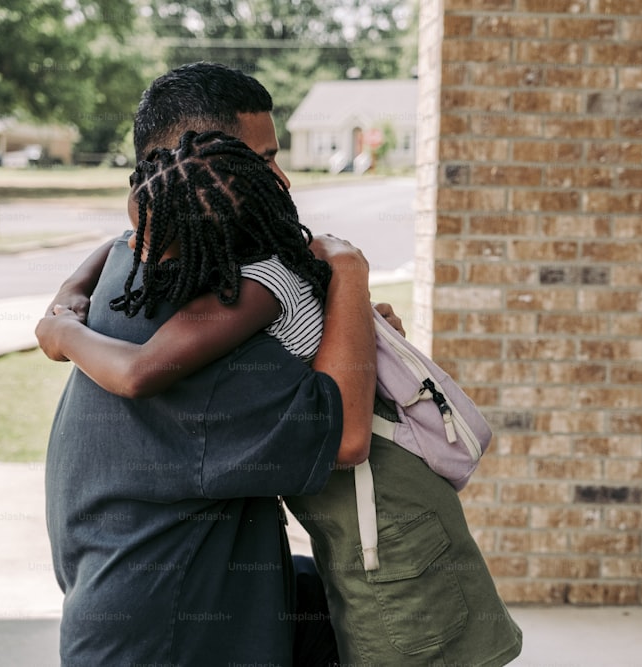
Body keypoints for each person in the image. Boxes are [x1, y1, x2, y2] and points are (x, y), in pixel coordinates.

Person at [43, 129, 523, 665]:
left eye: (153, 243)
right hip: (351, 518)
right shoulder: (224, 250)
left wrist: (62, 332)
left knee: (413, 638)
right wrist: (70, 292)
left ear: (213, 236)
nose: (137, 256)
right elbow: (116, 245)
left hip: (384, 510)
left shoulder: (252, 290)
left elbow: (138, 372)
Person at [36, 63, 377, 666]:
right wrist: (349, 275)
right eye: (263, 160)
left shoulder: (133, 263)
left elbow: (112, 244)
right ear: (210, 173)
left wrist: (63, 311)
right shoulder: (213, 340)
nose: (283, 179)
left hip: (141, 607)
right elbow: (348, 433)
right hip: (170, 639)